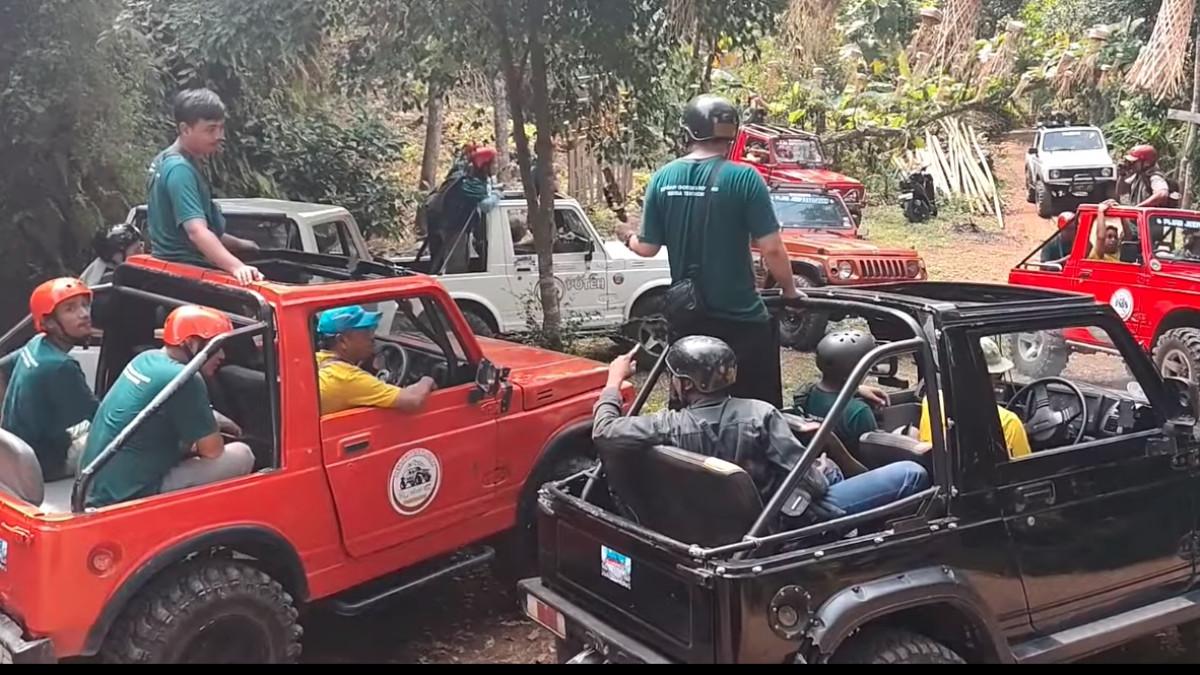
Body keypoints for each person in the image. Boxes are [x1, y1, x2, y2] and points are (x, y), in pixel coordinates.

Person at [592, 337, 929, 525]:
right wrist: (823, 468)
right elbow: (812, 482)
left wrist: (612, 383)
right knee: (910, 471)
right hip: (781, 522)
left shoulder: (666, 426)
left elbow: (604, 430)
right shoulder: (760, 415)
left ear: (684, 383)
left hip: (724, 524)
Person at [617, 94, 799, 407]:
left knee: (688, 406)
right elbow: (772, 249)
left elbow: (646, 248)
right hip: (741, 320)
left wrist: (627, 236)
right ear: (733, 133)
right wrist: (791, 291)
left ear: (688, 131)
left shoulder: (662, 179)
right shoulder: (744, 178)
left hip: (689, 319)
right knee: (756, 410)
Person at [81, 305, 255, 508]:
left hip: (94, 485)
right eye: (216, 347)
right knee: (242, 454)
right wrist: (210, 433)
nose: (223, 356)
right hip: (130, 495)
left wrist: (215, 422)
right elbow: (212, 452)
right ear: (191, 343)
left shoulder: (145, 359)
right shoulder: (185, 379)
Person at [145, 88, 262, 284]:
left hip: (166, 270)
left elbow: (187, 231)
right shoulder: (180, 170)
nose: (219, 135)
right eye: (210, 129)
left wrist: (242, 244)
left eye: (221, 128)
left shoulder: (163, 160)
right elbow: (196, 232)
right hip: (187, 275)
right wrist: (237, 267)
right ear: (185, 129)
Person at [0, 278, 100, 480]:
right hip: (47, 463)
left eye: (84, 305)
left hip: (14, 453)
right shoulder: (61, 366)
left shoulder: (37, 343)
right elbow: (101, 419)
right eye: (70, 309)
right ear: (50, 323)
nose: (84, 314)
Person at [918, 337, 1031, 459]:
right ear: (989, 379)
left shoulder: (932, 402)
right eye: (997, 376)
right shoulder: (1009, 422)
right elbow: (1027, 471)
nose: (997, 382)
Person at [315, 305, 437, 415]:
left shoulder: (317, 360)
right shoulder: (347, 378)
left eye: (372, 330)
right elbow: (413, 400)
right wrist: (427, 380)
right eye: (366, 331)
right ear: (342, 341)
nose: (372, 337)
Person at [793, 331, 892, 456]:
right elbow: (873, 456)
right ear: (859, 371)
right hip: (854, 472)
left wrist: (856, 388)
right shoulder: (858, 412)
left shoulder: (805, 394)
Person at [431, 146, 503, 275]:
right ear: (485, 165)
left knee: (460, 259)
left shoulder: (470, 177)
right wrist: (497, 194)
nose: (496, 166)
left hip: (452, 226)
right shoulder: (470, 182)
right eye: (494, 163)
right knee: (457, 266)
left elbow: (482, 191)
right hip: (454, 228)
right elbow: (486, 205)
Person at [80, 223, 145, 287]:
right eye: (136, 250)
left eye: (141, 246)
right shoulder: (110, 284)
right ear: (116, 256)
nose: (142, 253)